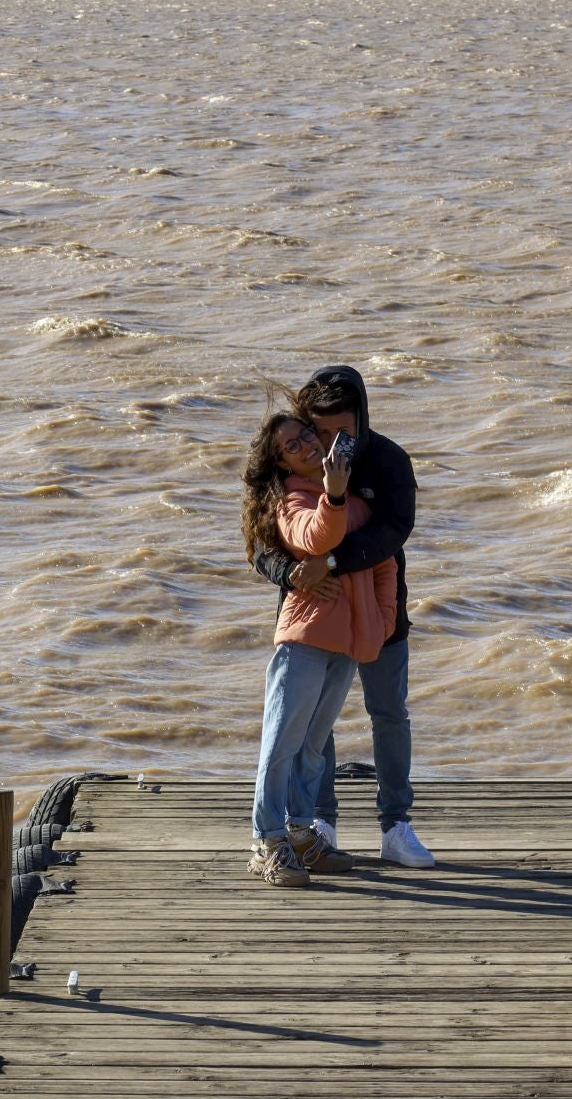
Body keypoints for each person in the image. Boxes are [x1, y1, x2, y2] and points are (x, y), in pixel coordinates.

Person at [254, 366, 434, 868]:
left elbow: (394, 533)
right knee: (310, 728)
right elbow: (262, 549)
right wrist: (292, 572)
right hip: (313, 618)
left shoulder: (388, 461)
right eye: (319, 431)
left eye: (341, 432)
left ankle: (395, 826)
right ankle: (316, 822)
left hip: (378, 615)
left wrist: (334, 566)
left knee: (390, 714)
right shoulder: (290, 479)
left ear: (363, 419)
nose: (329, 444)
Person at [241, 412, 398, 886]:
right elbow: (316, 538)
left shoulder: (354, 500)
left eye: (306, 434)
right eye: (291, 445)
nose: (305, 445)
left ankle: (302, 834)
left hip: (346, 643)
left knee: (312, 748)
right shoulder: (293, 500)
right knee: (281, 745)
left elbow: (382, 563)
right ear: (281, 462)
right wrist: (330, 494)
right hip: (304, 640)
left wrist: (381, 617)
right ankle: (267, 842)